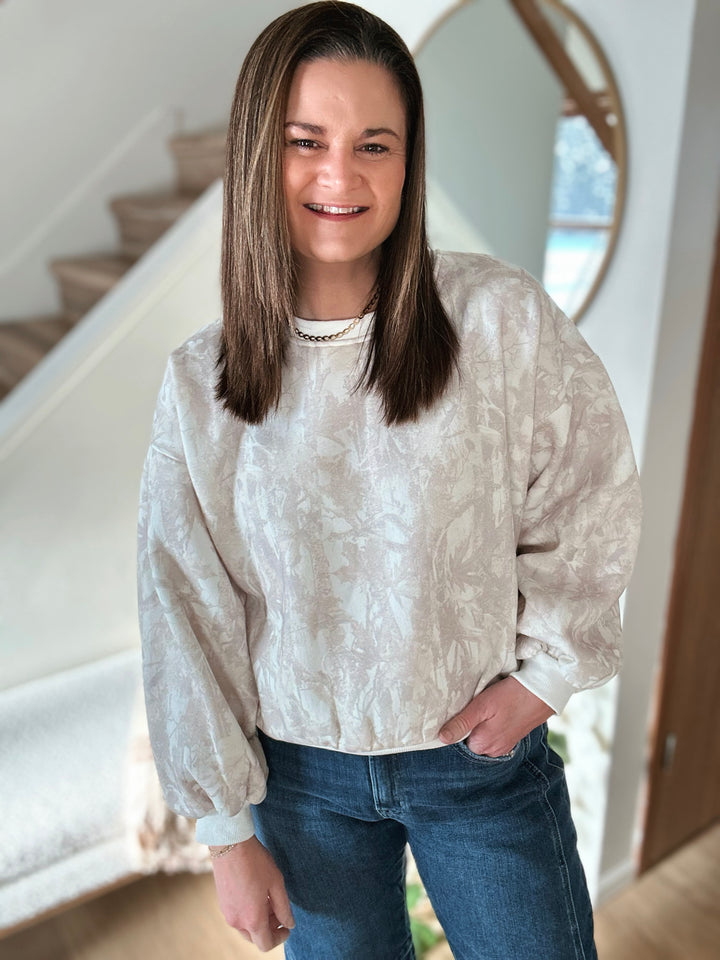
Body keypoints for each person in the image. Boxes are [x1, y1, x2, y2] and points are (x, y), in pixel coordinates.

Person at [137, 3, 642, 958]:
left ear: (409, 162)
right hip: (300, 782)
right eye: (306, 141)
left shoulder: (498, 321)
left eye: (376, 143)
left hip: (476, 764)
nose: (341, 175)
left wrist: (548, 676)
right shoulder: (200, 386)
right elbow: (182, 610)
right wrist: (226, 835)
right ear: (258, 154)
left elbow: (591, 491)